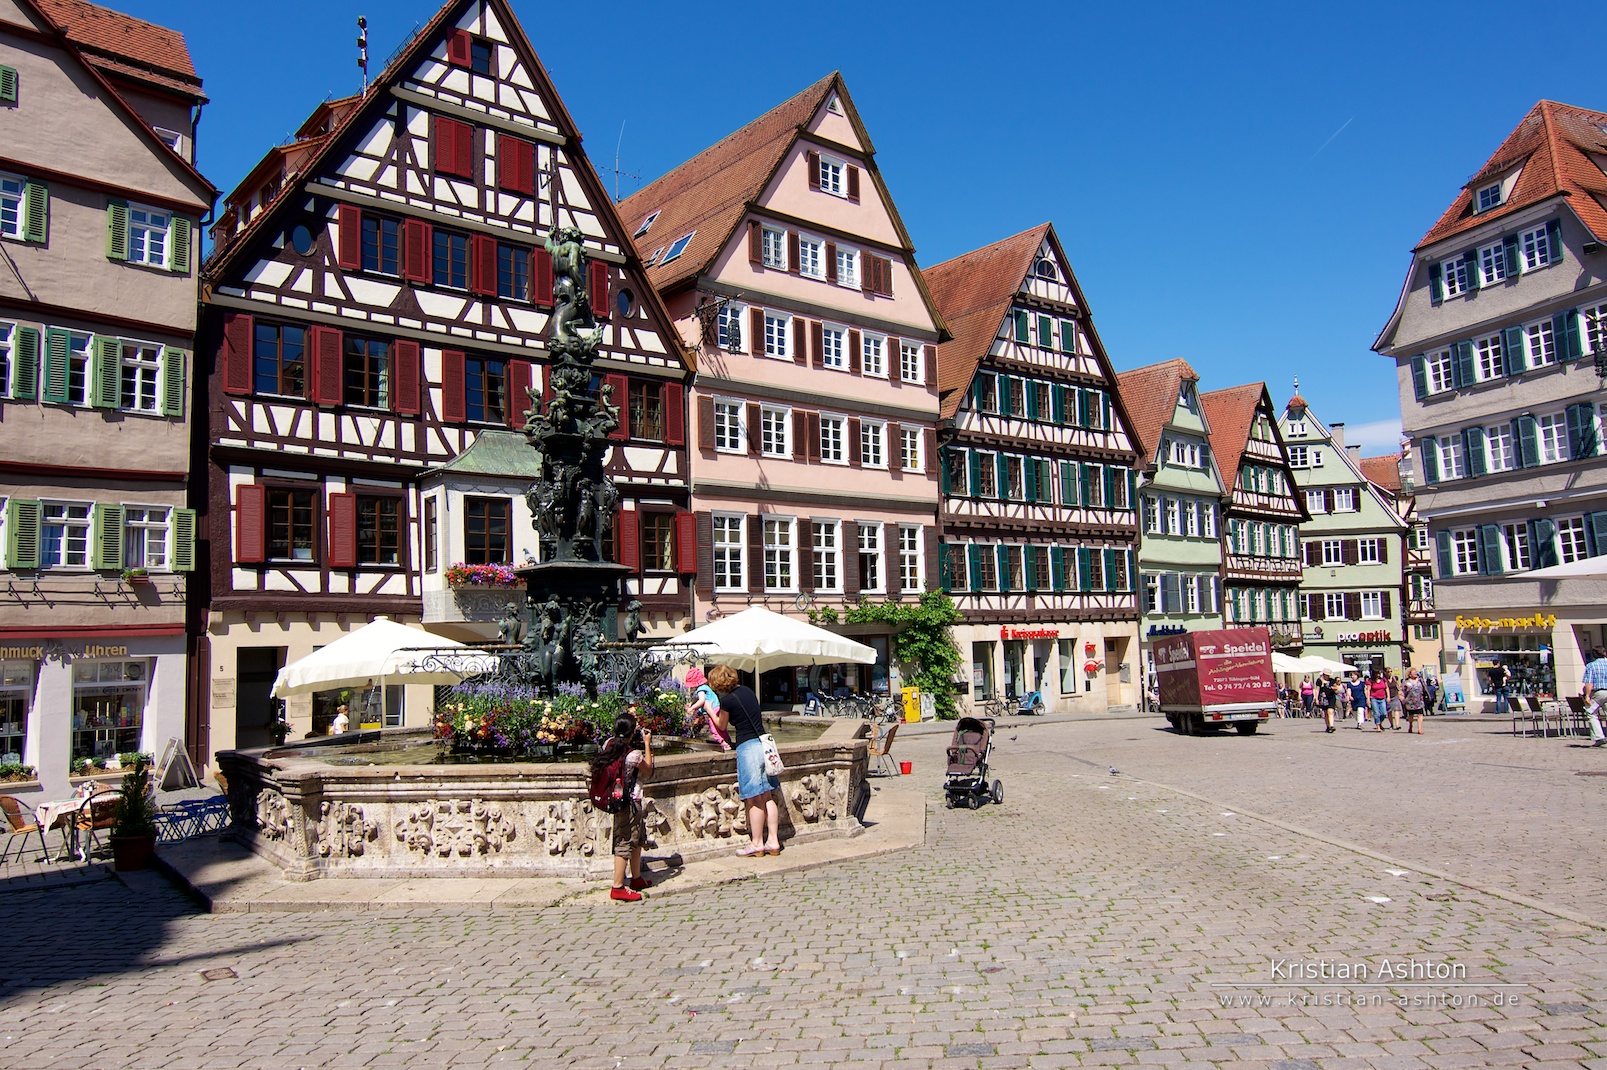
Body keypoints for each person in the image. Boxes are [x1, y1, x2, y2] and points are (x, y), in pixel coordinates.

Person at [707, 664, 781, 857]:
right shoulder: (747, 691)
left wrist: (708, 709)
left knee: (754, 798)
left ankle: (757, 843)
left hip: (748, 748)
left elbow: (721, 725)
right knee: (768, 796)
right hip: (763, 744)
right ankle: (773, 841)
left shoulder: (727, 701)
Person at [592, 711, 654, 901]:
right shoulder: (633, 755)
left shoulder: (608, 744)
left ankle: (636, 878)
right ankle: (617, 887)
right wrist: (647, 744)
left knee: (637, 837)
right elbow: (648, 771)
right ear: (631, 733)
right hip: (630, 803)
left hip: (617, 799)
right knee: (626, 841)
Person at [683, 666, 731, 751]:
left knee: (714, 729)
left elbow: (701, 701)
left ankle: (723, 743)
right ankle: (728, 741)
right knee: (720, 728)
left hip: (712, 709)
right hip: (717, 707)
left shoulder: (700, 689)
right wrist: (693, 704)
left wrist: (692, 708)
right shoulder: (706, 687)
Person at [1582, 648, 1607, 746]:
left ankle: (1599, 737)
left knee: (1591, 712)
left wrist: (1587, 696)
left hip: (1599, 693)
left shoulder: (1591, 665)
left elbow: (1589, 682)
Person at [1402, 668, 1427, 735]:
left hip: (1419, 700)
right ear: (1410, 674)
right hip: (1410, 701)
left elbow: (1424, 688)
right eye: (1414, 673)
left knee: (1420, 714)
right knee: (1411, 715)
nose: (1416, 673)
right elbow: (1402, 690)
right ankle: (1410, 725)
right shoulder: (1406, 682)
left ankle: (1420, 729)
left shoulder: (1420, 680)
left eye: (1416, 672)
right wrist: (1402, 697)